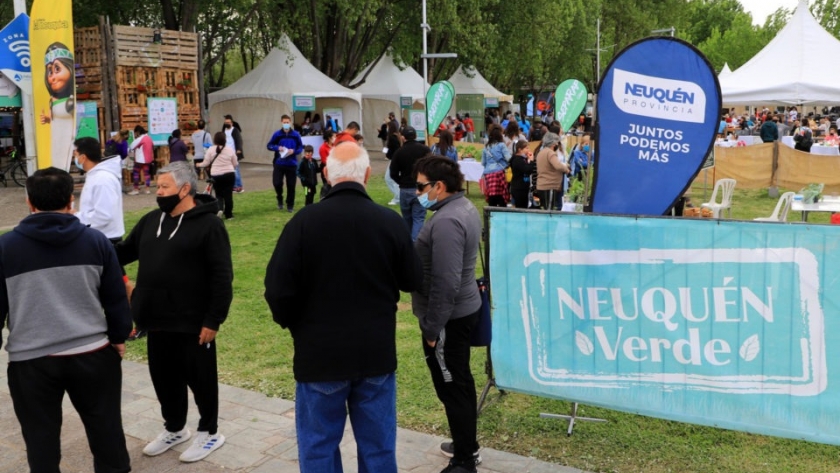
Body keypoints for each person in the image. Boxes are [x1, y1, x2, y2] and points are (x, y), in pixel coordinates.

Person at [265, 141, 422, 473]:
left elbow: (277, 291)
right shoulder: (389, 222)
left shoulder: (302, 224)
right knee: (378, 449)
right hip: (374, 353)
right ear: (367, 174)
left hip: (319, 354)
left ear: (326, 174)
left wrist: (299, 327)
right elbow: (412, 279)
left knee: (318, 447)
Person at [0, 167, 133, 473]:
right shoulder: (97, 242)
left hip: (30, 362)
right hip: (94, 355)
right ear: (71, 200)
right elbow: (114, 297)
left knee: (40, 439)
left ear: (29, 202)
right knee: (107, 431)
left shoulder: (6, 247)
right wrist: (118, 337)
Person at [116, 162, 233, 463]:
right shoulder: (151, 220)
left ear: (184, 189)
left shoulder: (210, 226)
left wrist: (213, 319)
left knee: (201, 380)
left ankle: (210, 432)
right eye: (158, 186)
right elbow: (124, 253)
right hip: (155, 319)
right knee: (164, 379)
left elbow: (222, 277)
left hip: (193, 322)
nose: (159, 192)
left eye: (164, 187)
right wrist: (90, 245)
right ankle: (175, 428)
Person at [411, 156, 483, 473]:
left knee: (452, 385)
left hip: (449, 319)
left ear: (438, 186)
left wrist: (431, 328)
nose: (417, 193)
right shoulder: (461, 207)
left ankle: (465, 460)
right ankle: (466, 441)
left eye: (420, 186)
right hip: (459, 313)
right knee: (460, 381)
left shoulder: (446, 221)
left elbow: (446, 280)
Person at [75, 137, 125, 242]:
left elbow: (104, 215)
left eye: (75, 155)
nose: (74, 159)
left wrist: (77, 217)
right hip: (97, 235)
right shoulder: (95, 175)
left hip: (106, 238)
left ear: (83, 157)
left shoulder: (102, 179)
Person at [389, 126, 432, 240]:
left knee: (407, 219)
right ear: (416, 136)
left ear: (403, 137)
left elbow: (393, 173)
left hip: (405, 189)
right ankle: (414, 245)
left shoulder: (399, 152)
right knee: (418, 218)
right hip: (421, 188)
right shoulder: (425, 150)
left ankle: (408, 245)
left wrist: (401, 182)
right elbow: (432, 168)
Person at [39, 42, 75, 170]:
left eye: (57, 69)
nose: (53, 77)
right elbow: (54, 117)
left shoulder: (73, 99)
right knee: (57, 162)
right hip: (56, 137)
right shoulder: (52, 100)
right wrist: (47, 118)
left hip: (69, 137)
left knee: (65, 163)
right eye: (50, 72)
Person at [267, 114, 303, 212]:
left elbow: (300, 147)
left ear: (290, 122)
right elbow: (269, 145)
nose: (286, 124)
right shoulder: (277, 134)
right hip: (279, 163)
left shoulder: (295, 135)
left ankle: (290, 204)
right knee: (277, 183)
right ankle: (279, 197)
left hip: (291, 163)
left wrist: (294, 151)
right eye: (284, 122)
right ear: (281, 122)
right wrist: (277, 148)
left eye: (287, 122)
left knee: (291, 185)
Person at [198, 132, 238, 220]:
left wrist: (198, 164)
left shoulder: (211, 150)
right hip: (229, 174)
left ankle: (219, 209)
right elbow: (235, 163)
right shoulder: (229, 149)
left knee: (219, 194)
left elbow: (206, 163)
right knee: (228, 194)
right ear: (225, 140)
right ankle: (229, 215)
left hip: (216, 175)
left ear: (215, 140)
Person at [535, 132, 569, 210]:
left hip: (542, 185)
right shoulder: (550, 153)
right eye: (556, 142)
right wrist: (566, 169)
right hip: (549, 185)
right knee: (550, 210)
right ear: (553, 143)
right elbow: (557, 165)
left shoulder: (541, 152)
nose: (557, 144)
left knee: (544, 208)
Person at [481, 124, 511, 207]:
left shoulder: (486, 147)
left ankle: (491, 217)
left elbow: (483, 163)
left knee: (491, 198)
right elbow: (509, 158)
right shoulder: (502, 145)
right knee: (502, 197)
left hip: (488, 175)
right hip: (499, 173)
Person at [509, 140, 536, 209]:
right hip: (519, 188)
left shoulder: (523, 159)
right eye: (526, 148)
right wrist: (532, 161)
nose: (528, 150)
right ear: (520, 150)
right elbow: (527, 170)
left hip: (524, 187)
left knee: (524, 205)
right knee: (521, 207)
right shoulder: (517, 160)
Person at [128, 125, 154, 195]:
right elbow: (152, 146)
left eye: (135, 133)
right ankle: (147, 189)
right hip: (148, 159)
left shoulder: (141, 138)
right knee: (147, 174)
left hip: (140, 159)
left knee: (136, 173)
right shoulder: (149, 138)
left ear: (138, 132)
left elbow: (131, 146)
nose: (135, 135)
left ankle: (136, 189)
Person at [222, 116, 245, 193]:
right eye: (226, 122)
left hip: (234, 154)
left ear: (231, 123)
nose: (227, 124)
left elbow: (239, 140)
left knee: (236, 170)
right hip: (226, 154)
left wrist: (239, 149)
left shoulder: (235, 130)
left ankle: (239, 186)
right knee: (228, 171)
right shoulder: (224, 131)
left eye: (228, 122)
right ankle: (232, 186)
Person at [385, 121, 402, 205]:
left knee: (389, 178)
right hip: (396, 160)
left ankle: (398, 197)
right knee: (391, 178)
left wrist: (387, 154)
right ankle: (398, 196)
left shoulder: (392, 138)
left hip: (394, 160)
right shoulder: (397, 136)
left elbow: (393, 150)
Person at [318, 129, 335, 199]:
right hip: (327, 169)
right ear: (329, 137)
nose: (335, 138)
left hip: (336, 169)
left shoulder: (335, 145)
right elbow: (325, 161)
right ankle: (324, 197)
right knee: (328, 186)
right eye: (334, 136)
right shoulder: (323, 148)